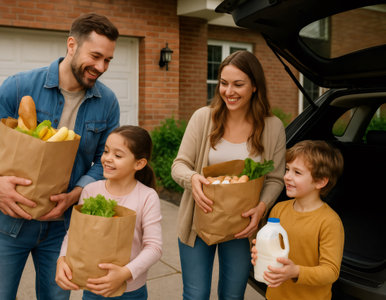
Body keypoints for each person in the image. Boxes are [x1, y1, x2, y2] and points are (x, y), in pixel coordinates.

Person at [0, 13, 120, 300]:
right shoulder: (20, 86)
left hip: (62, 227)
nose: (101, 67)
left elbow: (104, 162)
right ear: (71, 45)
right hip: (6, 222)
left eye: (108, 60)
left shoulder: (107, 103)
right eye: (95, 56)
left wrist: (76, 194)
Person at [171, 50, 286, 299]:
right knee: (195, 295)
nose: (228, 91)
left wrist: (262, 208)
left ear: (255, 86)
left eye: (238, 84)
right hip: (199, 220)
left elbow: (276, 177)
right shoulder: (203, 118)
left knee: (233, 296)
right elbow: (179, 165)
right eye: (224, 83)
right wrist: (192, 179)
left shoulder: (273, 126)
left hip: (242, 225)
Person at [55, 125, 163, 299]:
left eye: (118, 155)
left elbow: (154, 248)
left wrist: (124, 273)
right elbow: (74, 234)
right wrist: (62, 259)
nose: (107, 159)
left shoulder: (147, 197)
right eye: (106, 151)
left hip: (131, 291)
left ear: (139, 163)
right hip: (92, 287)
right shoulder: (90, 190)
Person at [251, 140, 345, 300]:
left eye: (297, 172)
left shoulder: (329, 222)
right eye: (287, 170)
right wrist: (260, 253)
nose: (286, 177)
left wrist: (296, 272)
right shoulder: (279, 210)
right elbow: (272, 251)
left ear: (320, 181)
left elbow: (331, 271)